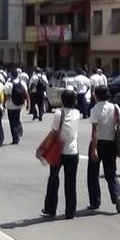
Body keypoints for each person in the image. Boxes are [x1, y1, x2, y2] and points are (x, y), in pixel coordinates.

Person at [37, 88, 80, 219]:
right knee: (71, 182)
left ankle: (50, 209)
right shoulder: (77, 113)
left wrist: (42, 147)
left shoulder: (59, 113)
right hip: (73, 151)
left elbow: (54, 133)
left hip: (59, 151)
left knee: (53, 179)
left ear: (62, 100)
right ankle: (70, 211)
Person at [87, 85, 120, 213]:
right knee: (111, 173)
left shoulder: (95, 109)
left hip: (98, 142)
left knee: (93, 174)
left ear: (96, 95)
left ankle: (95, 202)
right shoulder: (115, 107)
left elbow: (94, 130)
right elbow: (119, 123)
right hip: (111, 143)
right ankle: (117, 195)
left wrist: (94, 148)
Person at [4, 71, 29, 145]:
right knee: (17, 119)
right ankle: (19, 130)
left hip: (11, 106)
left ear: (11, 75)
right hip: (19, 105)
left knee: (12, 123)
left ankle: (15, 139)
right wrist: (28, 104)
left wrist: (3, 104)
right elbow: (26, 94)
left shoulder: (8, 84)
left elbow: (6, 96)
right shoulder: (22, 83)